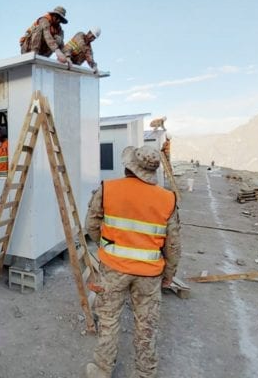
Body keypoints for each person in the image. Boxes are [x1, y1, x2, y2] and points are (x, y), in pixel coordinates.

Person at [84, 145, 181, 378]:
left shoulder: (108, 189)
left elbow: (92, 226)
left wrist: (107, 246)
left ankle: (102, 369)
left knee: (108, 320)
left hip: (113, 268)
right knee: (146, 325)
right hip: (149, 275)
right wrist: (169, 274)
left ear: (129, 166)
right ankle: (145, 373)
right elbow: (173, 244)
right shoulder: (167, 198)